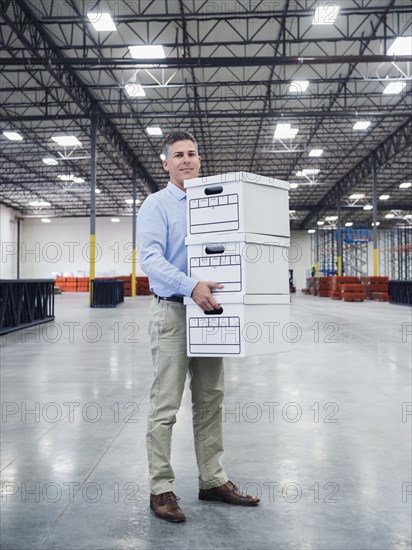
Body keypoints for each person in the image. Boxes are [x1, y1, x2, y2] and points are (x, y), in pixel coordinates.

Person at [137, 131, 260, 523]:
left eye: (192, 153)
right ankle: (161, 489)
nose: (186, 160)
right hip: (174, 312)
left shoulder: (217, 202)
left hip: (211, 313)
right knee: (165, 406)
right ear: (165, 163)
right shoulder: (156, 205)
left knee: (211, 400)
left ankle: (212, 481)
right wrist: (191, 285)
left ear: (200, 159)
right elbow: (150, 260)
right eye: (178, 155)